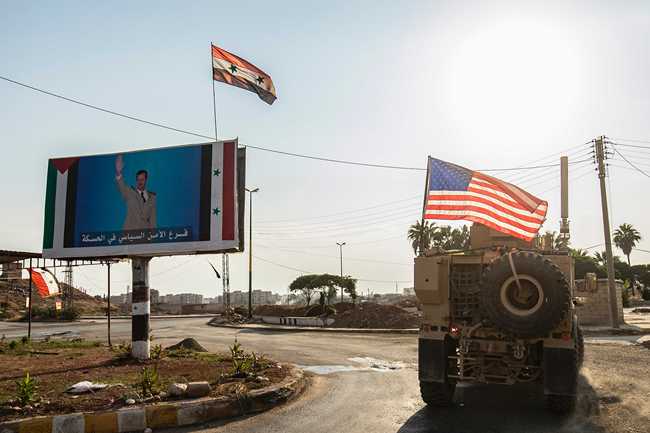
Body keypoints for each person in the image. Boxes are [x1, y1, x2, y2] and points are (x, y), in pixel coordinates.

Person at [115, 154, 157, 231]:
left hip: (144, 237)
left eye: (142, 179)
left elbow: (153, 220)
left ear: (146, 180)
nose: (140, 182)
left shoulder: (152, 197)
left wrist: (153, 237)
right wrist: (118, 172)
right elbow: (121, 185)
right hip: (129, 235)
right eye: (138, 179)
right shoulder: (129, 192)